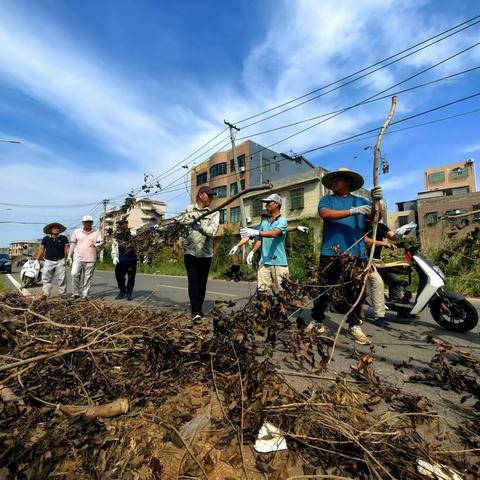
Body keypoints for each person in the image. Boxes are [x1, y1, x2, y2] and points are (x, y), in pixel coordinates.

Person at [310, 167, 383, 345]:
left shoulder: (361, 200)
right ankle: (317, 320)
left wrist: (377, 202)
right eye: (332, 180)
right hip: (331, 252)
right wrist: (352, 211)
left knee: (356, 290)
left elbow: (375, 219)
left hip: (356, 253)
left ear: (348, 182)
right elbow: (325, 214)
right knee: (325, 288)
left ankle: (354, 326)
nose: (333, 183)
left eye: (338, 180)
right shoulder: (327, 199)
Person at [179, 186, 220, 323]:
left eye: (212, 196)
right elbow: (178, 222)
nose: (211, 198)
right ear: (201, 195)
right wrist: (160, 227)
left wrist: (200, 227)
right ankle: (195, 311)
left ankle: (199, 307)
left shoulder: (214, 213)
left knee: (202, 283)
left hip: (205, 253)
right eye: (209, 195)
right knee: (193, 281)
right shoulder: (188, 210)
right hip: (190, 252)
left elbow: (212, 231)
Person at [239, 194, 290, 296]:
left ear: (276, 204)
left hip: (279, 263)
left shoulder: (282, 221)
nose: (265, 205)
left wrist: (257, 232)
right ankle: (264, 310)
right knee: (262, 291)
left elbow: (275, 233)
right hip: (264, 261)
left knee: (282, 293)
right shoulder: (264, 222)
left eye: (268, 202)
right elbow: (259, 239)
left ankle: (281, 311)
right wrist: (249, 251)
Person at [67, 215, 102, 299]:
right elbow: (73, 243)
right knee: (74, 273)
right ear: (83, 223)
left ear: (92, 223)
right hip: (78, 257)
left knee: (88, 277)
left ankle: (85, 294)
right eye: (86, 222)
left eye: (89, 222)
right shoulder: (77, 232)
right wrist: (69, 256)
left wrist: (98, 244)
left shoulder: (96, 232)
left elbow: (100, 242)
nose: (88, 224)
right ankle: (75, 292)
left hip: (91, 258)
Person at [37, 222, 69, 298]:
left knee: (62, 278)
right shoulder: (46, 239)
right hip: (48, 261)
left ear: (59, 230)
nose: (56, 229)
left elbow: (67, 249)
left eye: (57, 228)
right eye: (54, 228)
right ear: (50, 230)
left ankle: (63, 293)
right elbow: (41, 249)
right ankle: (46, 293)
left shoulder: (63, 238)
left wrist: (69, 258)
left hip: (60, 260)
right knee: (45, 278)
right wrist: (37, 259)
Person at [111, 218, 137, 301]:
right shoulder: (116, 236)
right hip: (121, 260)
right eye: (119, 224)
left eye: (122, 223)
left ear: (126, 224)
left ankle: (129, 293)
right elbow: (114, 247)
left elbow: (141, 241)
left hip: (132, 260)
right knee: (119, 276)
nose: (121, 225)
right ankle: (122, 290)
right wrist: (114, 256)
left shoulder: (134, 234)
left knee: (131, 277)